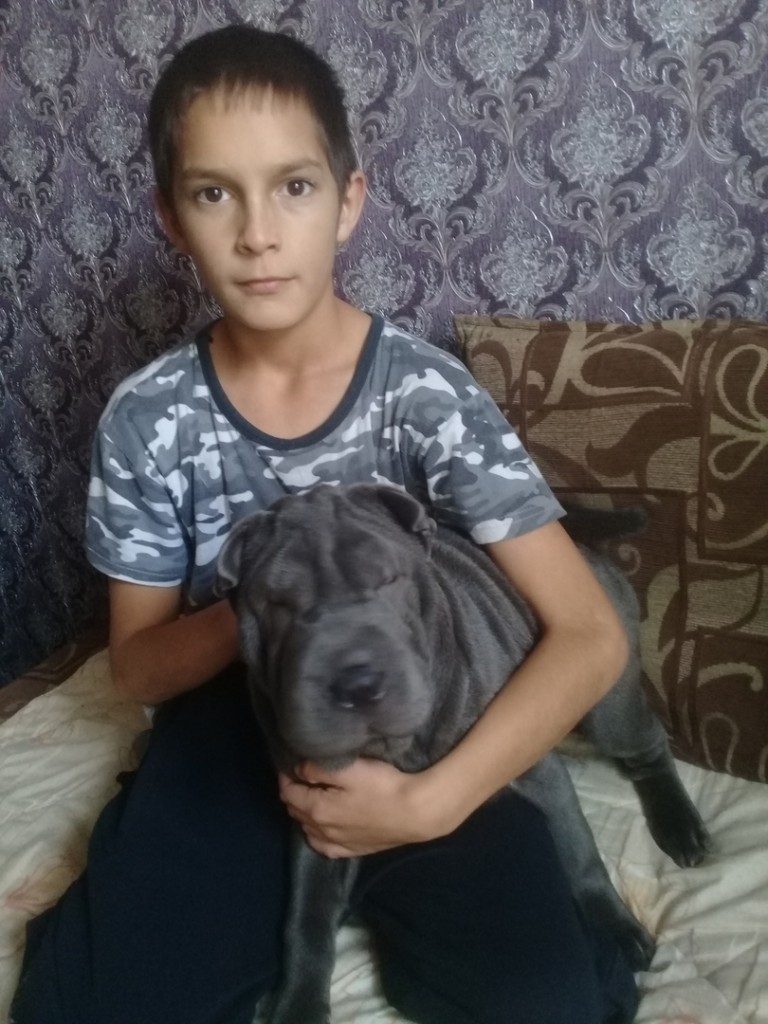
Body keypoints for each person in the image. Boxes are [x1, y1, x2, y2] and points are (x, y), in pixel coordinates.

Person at [11, 24, 640, 1024]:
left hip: (430, 724)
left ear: (349, 201)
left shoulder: (427, 395)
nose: (258, 233)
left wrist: (437, 799)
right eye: (214, 193)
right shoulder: (148, 415)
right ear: (171, 218)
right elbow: (135, 668)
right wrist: (269, 610)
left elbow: (591, 634)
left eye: (294, 186)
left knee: (553, 1002)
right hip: (235, 726)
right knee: (99, 1001)